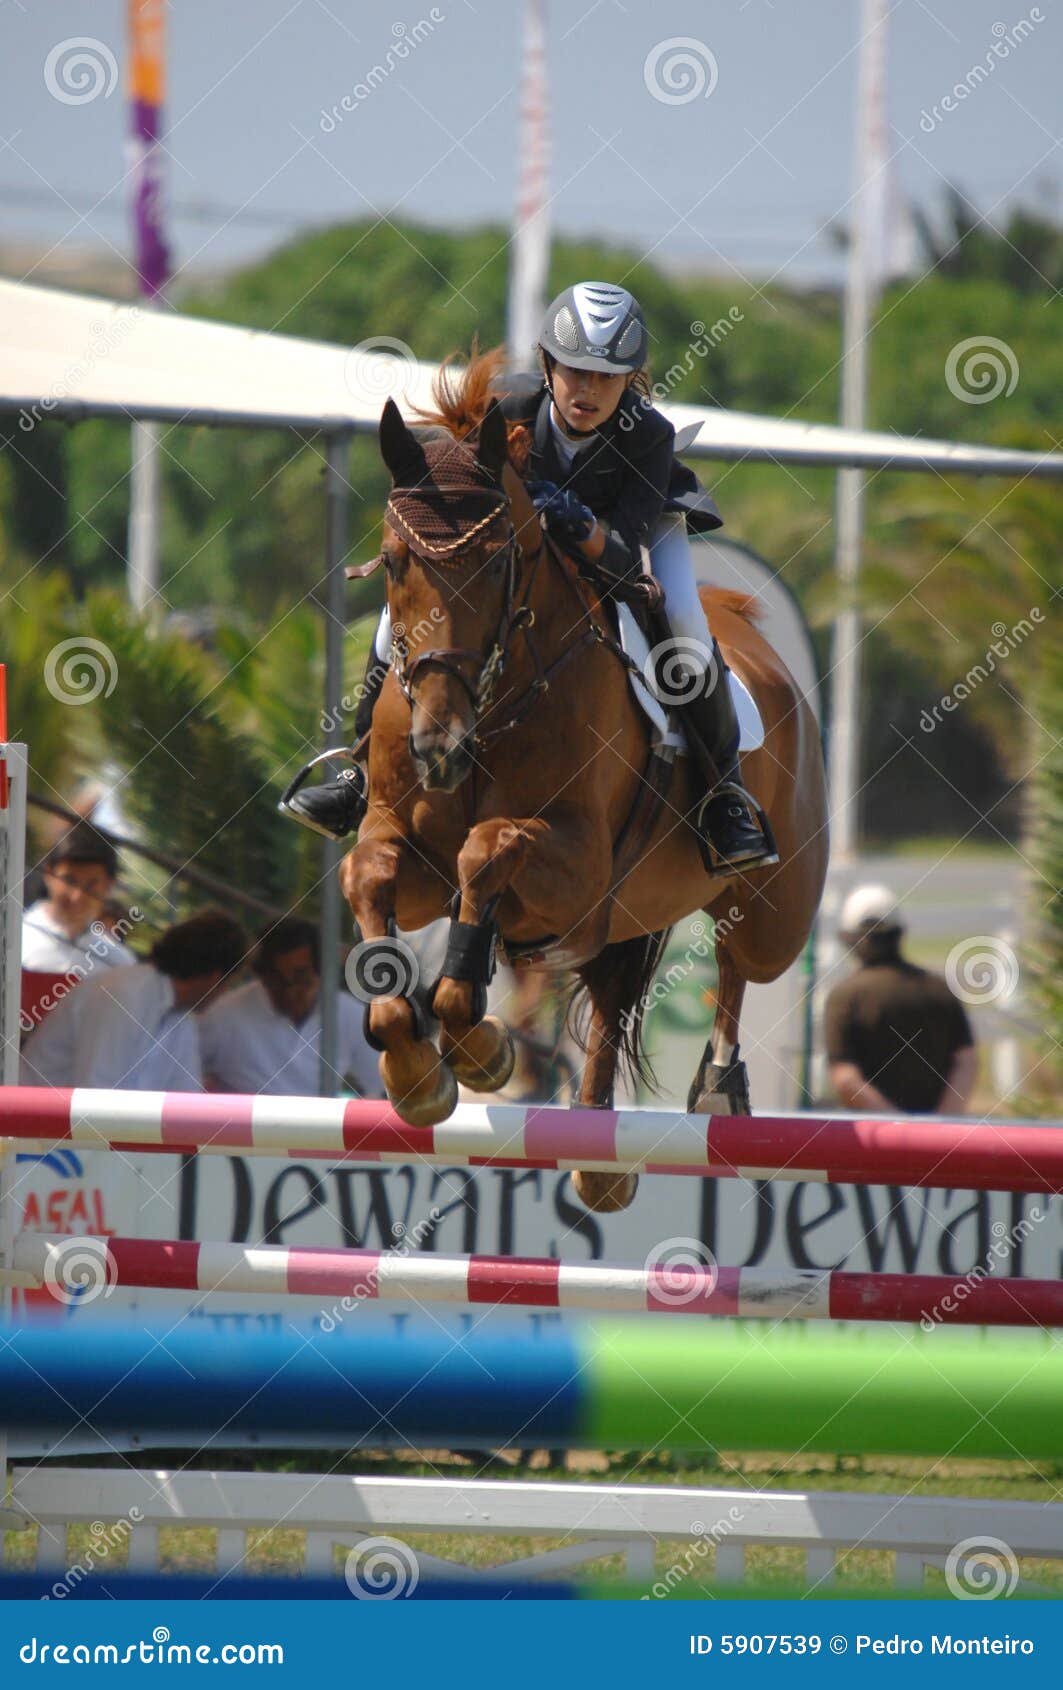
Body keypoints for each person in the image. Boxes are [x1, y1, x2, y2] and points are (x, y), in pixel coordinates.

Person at [282, 281, 777, 873]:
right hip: (517, 544)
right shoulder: (504, 406)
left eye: (608, 376)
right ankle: (357, 774)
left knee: (687, 624)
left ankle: (724, 795)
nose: (589, 390)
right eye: (575, 371)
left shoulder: (647, 436)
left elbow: (622, 557)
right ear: (547, 364)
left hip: (631, 533)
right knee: (398, 617)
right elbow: (456, 498)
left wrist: (575, 520)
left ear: (630, 380)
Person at [20, 910, 246, 1092]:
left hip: (95, 1138)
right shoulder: (124, 994)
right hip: (38, 1135)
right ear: (216, 978)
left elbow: (188, 1106)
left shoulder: (181, 1018)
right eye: (229, 983)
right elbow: (94, 1099)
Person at [824, 884, 978, 1116]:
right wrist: (941, 1123)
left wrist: (898, 1126)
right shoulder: (940, 990)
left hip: (874, 1141)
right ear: (899, 934)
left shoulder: (845, 996)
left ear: (850, 939)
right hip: (939, 1140)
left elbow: (845, 1077)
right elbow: (966, 1062)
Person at [198, 917, 381, 1097]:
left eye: (300, 977)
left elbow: (381, 1087)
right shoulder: (223, 1014)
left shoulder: (350, 1014)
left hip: (319, 1123)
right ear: (261, 977)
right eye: (277, 980)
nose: (290, 990)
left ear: (321, 973)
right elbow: (186, 1079)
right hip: (243, 1125)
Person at [21, 824, 135, 976]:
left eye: (91, 885)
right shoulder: (14, 937)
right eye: (69, 880)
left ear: (108, 886)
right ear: (48, 873)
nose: (77, 896)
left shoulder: (119, 966)